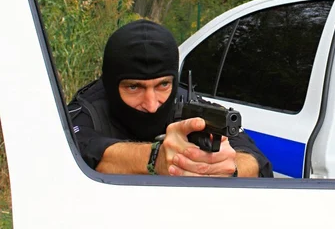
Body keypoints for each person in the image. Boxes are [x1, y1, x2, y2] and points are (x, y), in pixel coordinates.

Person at [67, 19, 273, 177]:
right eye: (133, 87)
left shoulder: (189, 106)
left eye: (163, 85)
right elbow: (79, 150)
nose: (151, 104)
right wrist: (155, 159)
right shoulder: (87, 111)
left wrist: (228, 167)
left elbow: (255, 160)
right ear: (111, 84)